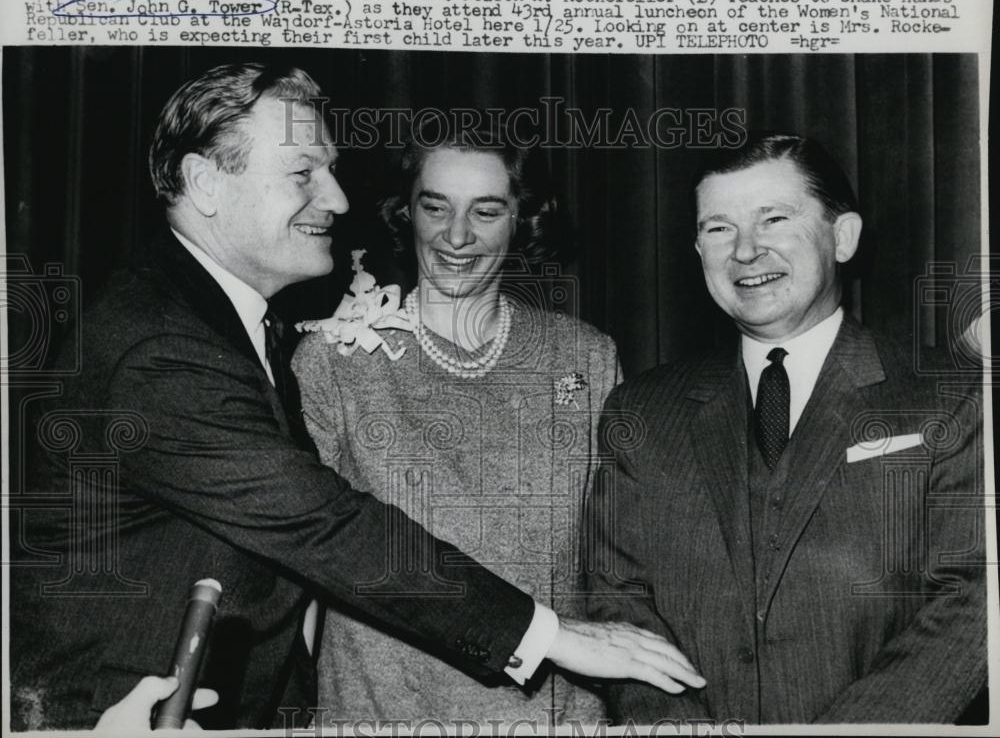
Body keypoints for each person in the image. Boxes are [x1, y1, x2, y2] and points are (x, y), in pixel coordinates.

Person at [9, 63, 703, 731]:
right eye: (304, 173)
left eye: (332, 171)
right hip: (118, 716)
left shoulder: (224, 323)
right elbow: (327, 529)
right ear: (205, 183)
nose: (337, 199)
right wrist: (545, 633)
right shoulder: (163, 346)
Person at [584, 134, 986, 724]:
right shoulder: (640, 411)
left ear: (842, 237)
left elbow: (970, 605)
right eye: (719, 228)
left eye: (773, 218)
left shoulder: (949, 397)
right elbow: (619, 601)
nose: (746, 251)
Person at [292, 132, 620, 725]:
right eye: (435, 206)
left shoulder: (584, 357)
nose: (457, 235)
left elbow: (618, 562)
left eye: (487, 211)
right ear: (406, 212)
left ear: (522, 221)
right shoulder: (335, 360)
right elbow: (297, 568)